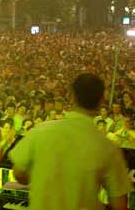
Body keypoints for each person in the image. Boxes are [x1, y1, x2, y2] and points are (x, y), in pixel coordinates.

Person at [9, 73, 132, 210]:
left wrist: (43, 177)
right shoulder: (107, 147)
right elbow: (120, 205)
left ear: (71, 95)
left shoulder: (41, 131)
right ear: (101, 101)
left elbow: (19, 173)